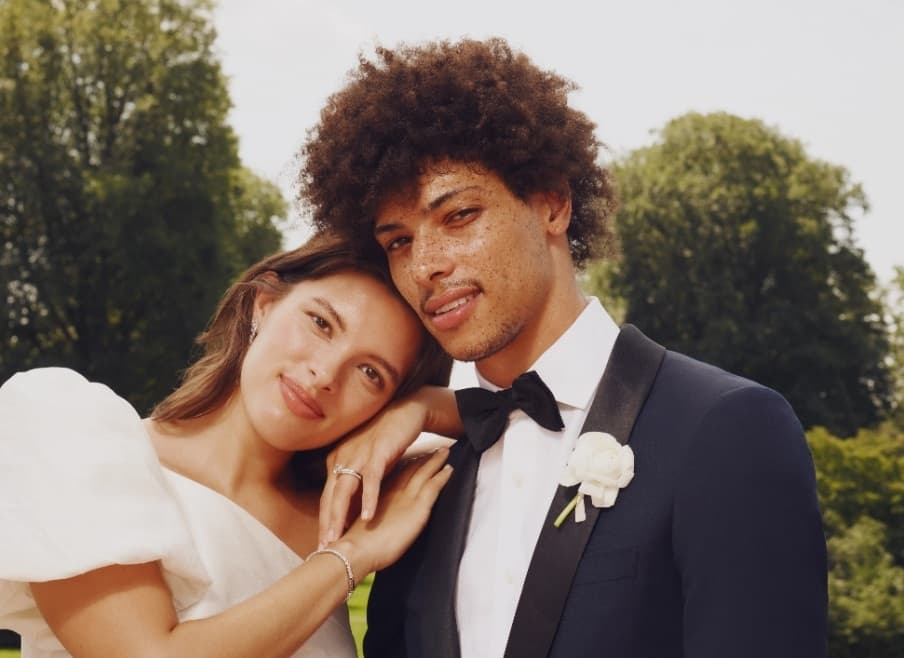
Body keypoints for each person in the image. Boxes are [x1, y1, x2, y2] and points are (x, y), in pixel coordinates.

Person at [301, 39, 829, 658]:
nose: (426, 266)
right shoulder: (420, 477)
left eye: (460, 215)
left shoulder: (727, 428)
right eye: (397, 241)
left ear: (552, 202)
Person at [0, 233, 456, 658]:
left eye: (370, 373)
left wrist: (422, 407)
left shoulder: (351, 505)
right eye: (320, 323)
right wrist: (347, 559)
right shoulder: (74, 437)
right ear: (263, 307)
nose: (324, 374)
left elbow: (520, 420)